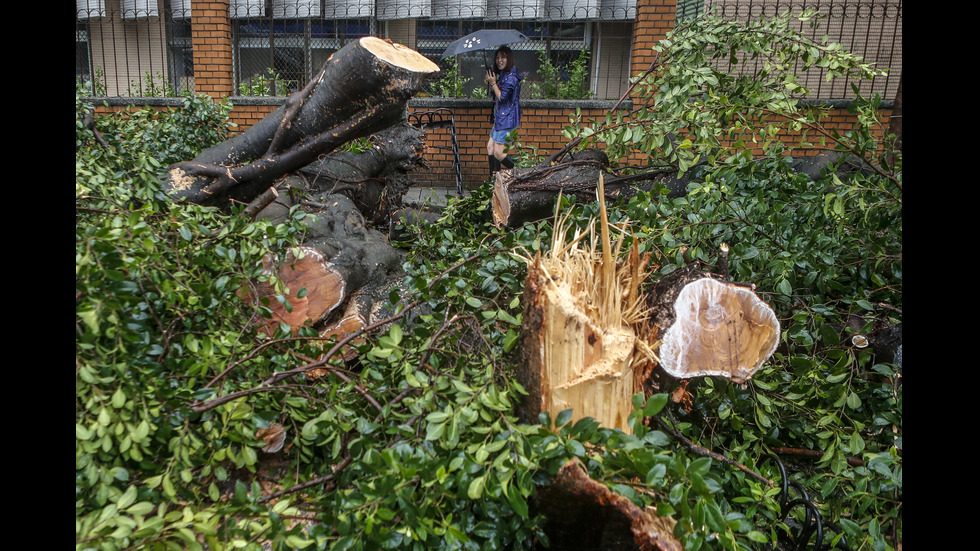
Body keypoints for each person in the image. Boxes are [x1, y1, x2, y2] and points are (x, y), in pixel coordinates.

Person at [484, 46, 521, 175]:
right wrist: (492, 82)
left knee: (499, 154)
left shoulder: (511, 78)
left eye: (503, 57)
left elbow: (503, 98)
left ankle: (521, 172)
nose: (499, 60)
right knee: (490, 147)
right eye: (497, 57)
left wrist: (494, 84)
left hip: (506, 120)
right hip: (500, 118)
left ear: (509, 59)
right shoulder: (503, 76)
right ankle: (493, 183)